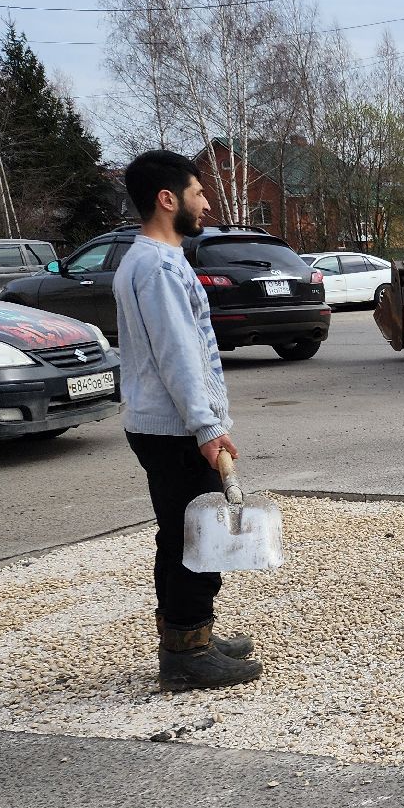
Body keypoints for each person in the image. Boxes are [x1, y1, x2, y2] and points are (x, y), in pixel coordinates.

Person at [112, 150, 262, 691]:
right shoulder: (155, 267)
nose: (206, 203)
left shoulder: (156, 260)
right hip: (173, 426)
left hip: (167, 422)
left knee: (180, 533)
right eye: (198, 192)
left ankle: (190, 632)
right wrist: (207, 426)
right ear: (167, 199)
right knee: (196, 537)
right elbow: (177, 354)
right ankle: (187, 654)